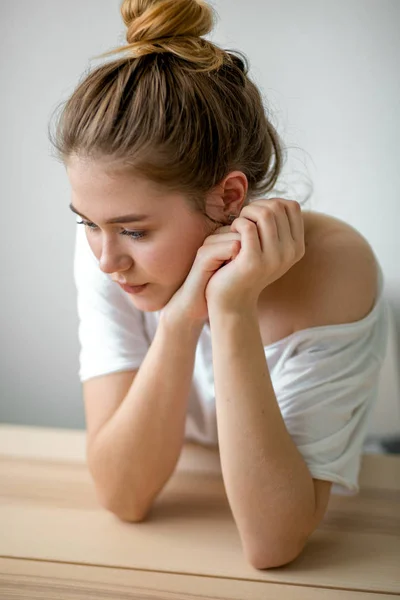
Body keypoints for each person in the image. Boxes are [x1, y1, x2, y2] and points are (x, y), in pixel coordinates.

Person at [48, 0, 389, 570]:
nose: (107, 260)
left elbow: (273, 543)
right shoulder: (112, 250)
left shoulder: (337, 268)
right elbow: (123, 496)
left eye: (134, 229)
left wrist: (231, 309)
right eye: (86, 223)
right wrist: (181, 320)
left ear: (230, 197)